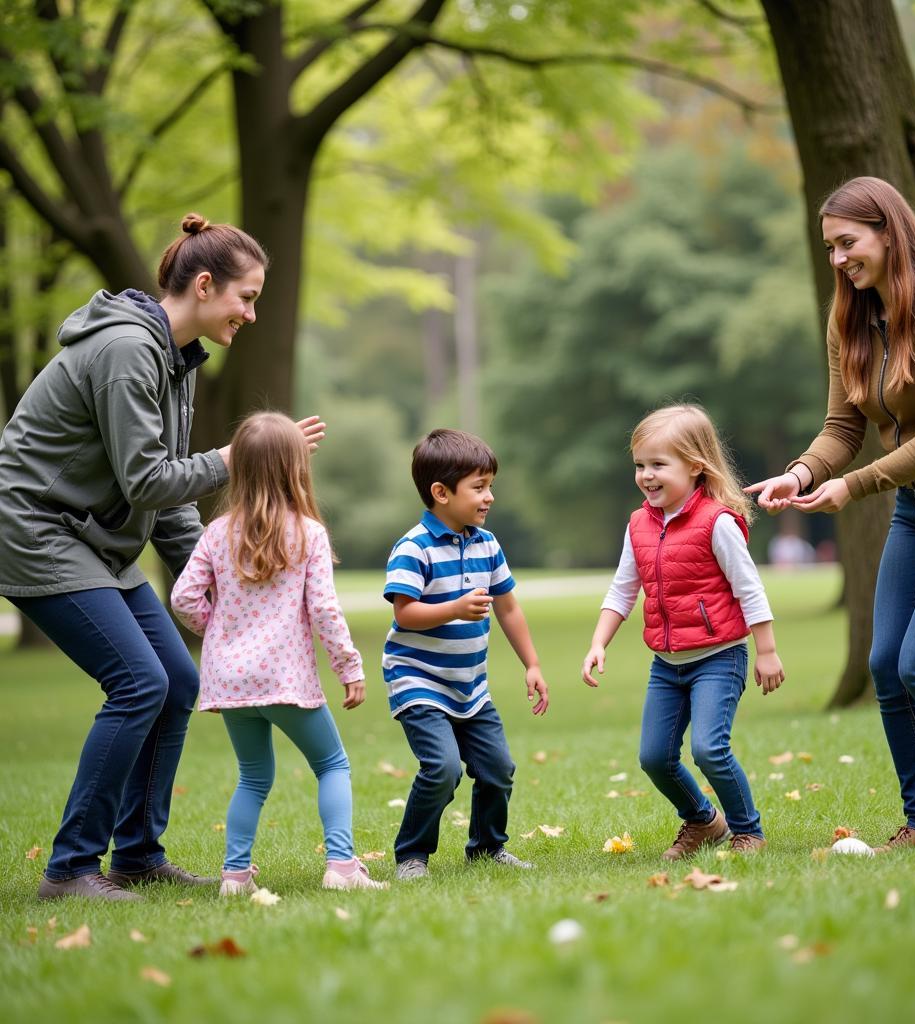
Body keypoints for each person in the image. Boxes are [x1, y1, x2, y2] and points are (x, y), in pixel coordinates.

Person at [0, 213, 325, 901]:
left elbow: (166, 493)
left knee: (177, 680)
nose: (253, 313)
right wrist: (235, 458)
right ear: (204, 285)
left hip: (96, 539)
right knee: (138, 683)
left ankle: (138, 855)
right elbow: (149, 480)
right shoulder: (126, 351)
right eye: (247, 296)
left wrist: (226, 585)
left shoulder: (176, 360)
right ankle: (69, 869)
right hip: (37, 532)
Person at [745, 176, 915, 851]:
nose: (838, 259)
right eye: (830, 248)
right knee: (886, 663)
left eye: (848, 243)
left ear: (889, 233)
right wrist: (804, 472)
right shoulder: (850, 318)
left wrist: (853, 488)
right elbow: (842, 425)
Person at [170, 412, 385, 894]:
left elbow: (183, 597)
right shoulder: (308, 532)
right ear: (296, 469)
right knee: (332, 765)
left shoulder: (217, 532)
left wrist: (217, 633)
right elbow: (325, 610)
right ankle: (342, 868)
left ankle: (235, 875)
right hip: (285, 680)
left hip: (230, 680)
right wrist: (349, 667)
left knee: (252, 776)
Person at [582, 404, 784, 856]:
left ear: (695, 467)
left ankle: (747, 831)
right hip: (667, 664)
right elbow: (622, 589)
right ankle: (703, 821)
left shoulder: (717, 522)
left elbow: (750, 590)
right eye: (639, 465)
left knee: (710, 749)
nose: (646, 476)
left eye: (658, 464)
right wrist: (598, 642)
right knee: (654, 758)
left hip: (719, 657)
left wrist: (766, 651)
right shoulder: (639, 524)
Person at [382, 428, 550, 880]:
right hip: (418, 679)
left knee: (499, 768)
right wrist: (454, 608)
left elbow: (508, 607)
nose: (489, 496)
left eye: (490, 485)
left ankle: (487, 848)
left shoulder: (487, 544)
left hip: (469, 686)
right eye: (479, 487)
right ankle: (412, 855)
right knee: (442, 768)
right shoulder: (414, 547)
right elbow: (405, 614)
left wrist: (531, 663)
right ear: (441, 493)